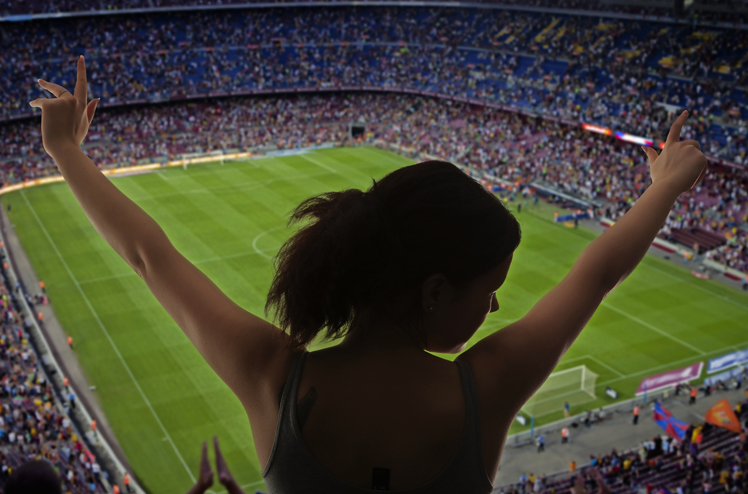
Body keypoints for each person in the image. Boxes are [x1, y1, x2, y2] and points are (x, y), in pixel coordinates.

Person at [29, 59, 708, 492]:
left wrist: (65, 150)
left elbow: (151, 256)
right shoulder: (486, 387)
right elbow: (598, 272)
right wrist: (664, 187)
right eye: (488, 289)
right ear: (435, 290)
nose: (496, 307)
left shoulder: (274, 376)